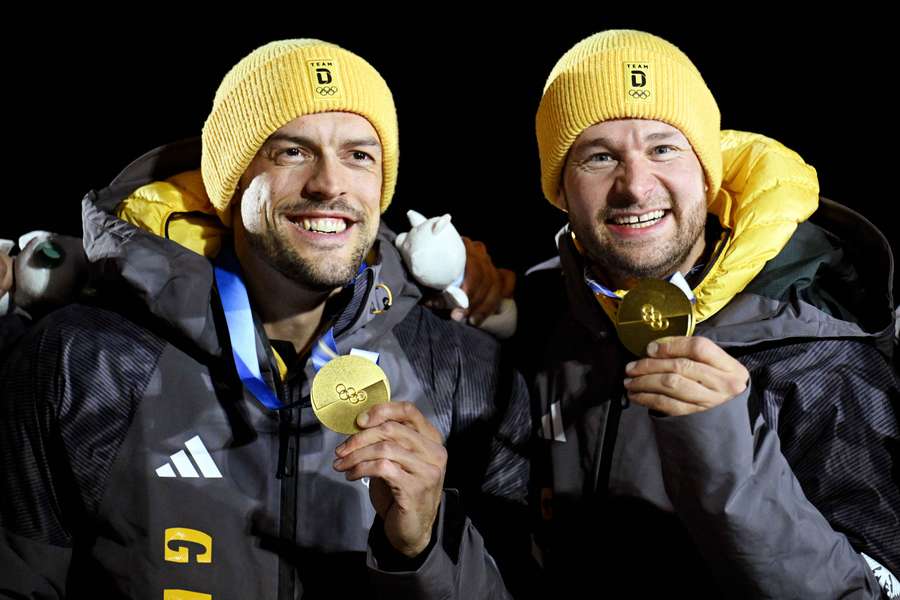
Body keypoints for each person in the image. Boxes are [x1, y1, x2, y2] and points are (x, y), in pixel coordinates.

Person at [0, 39, 533, 599]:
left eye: (359, 155)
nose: (329, 183)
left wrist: (419, 551)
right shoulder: (82, 360)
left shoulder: (463, 372)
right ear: (228, 183)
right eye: (292, 152)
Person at [520, 29, 899, 598]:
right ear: (561, 191)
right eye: (599, 157)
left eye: (663, 148)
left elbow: (873, 592)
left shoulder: (823, 350)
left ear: (706, 169)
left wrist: (724, 454)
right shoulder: (554, 314)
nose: (635, 186)